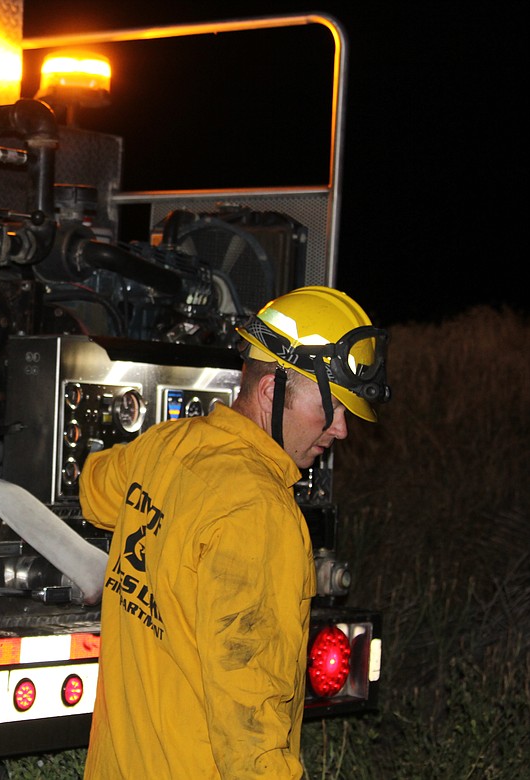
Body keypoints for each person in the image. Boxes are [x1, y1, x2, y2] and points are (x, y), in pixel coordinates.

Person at [79, 286, 391, 779]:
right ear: (272, 392)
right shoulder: (261, 513)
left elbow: (94, 490)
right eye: (332, 409)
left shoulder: (165, 445)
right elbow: (251, 722)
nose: (341, 430)